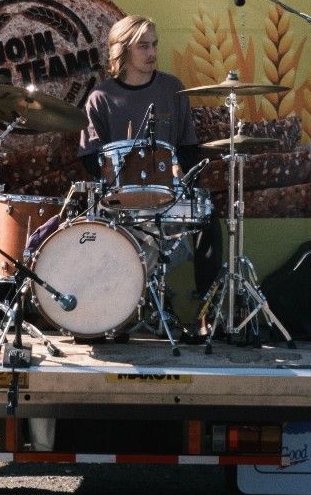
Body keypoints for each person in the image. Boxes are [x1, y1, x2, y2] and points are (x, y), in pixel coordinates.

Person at [77, 15, 221, 296]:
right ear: (123, 49)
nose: (152, 53)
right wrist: (118, 172)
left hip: (167, 191)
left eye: (154, 44)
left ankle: (207, 309)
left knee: (208, 219)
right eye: (143, 46)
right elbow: (89, 158)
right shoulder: (101, 97)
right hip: (119, 197)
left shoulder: (172, 89)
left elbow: (188, 148)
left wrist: (179, 169)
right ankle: (116, 307)